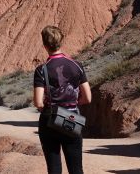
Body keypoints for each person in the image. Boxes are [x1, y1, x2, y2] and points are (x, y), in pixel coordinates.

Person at [32, 25, 91, 174]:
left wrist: (48, 107)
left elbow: (38, 102)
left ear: (45, 45)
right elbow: (88, 98)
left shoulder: (42, 69)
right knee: (76, 168)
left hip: (49, 120)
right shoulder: (77, 65)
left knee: (54, 169)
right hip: (71, 117)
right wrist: (73, 104)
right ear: (61, 42)